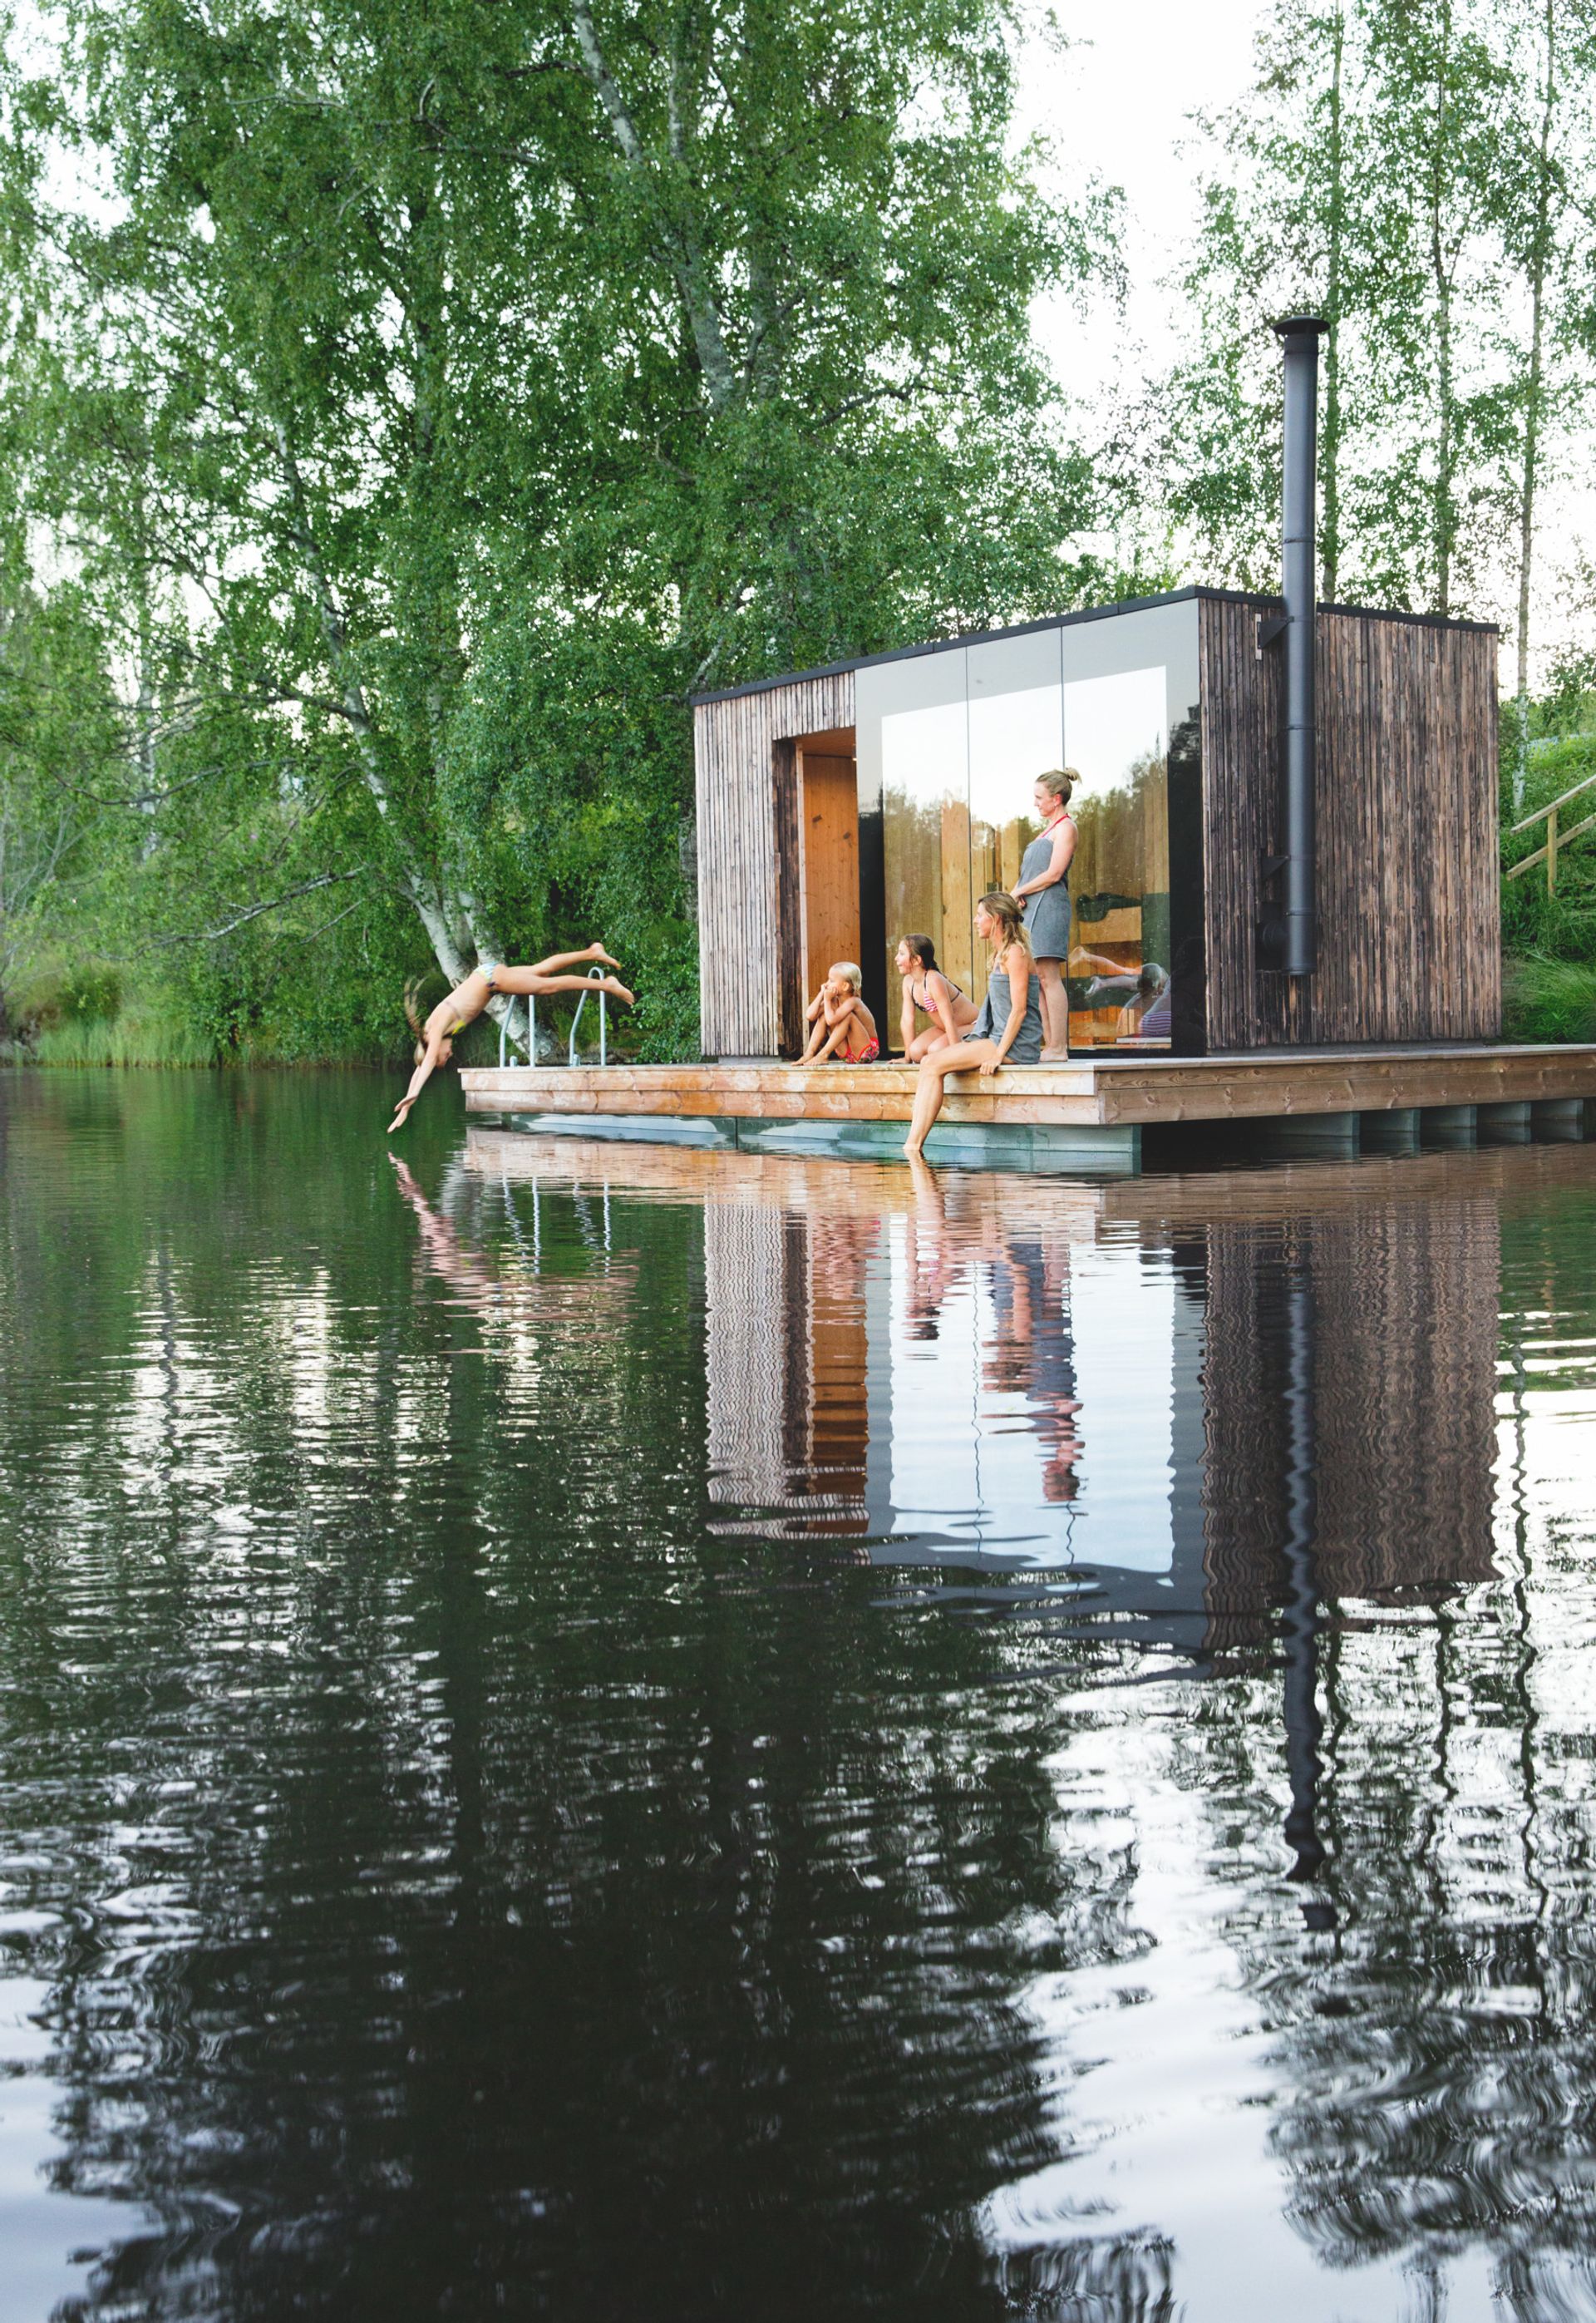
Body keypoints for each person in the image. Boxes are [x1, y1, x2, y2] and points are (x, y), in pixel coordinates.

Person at [387, 944, 634, 1134]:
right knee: (541, 970)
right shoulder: (436, 1034)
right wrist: (406, 1106)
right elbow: (421, 1068)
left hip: (491, 979)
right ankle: (592, 952)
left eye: (443, 1057)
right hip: (488, 977)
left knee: (547, 986)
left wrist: (415, 1094)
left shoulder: (435, 1028)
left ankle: (606, 986)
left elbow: (427, 1062)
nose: (447, 1056)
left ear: (432, 1047)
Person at [904, 892, 1042, 1158]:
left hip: (1015, 1046)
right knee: (930, 1062)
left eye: (980, 915)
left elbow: (1020, 1010)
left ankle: (913, 1145)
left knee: (932, 1064)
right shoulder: (1001, 954)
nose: (976, 921)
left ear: (996, 919)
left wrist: (999, 1054)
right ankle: (913, 1142)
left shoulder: (1015, 953)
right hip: (998, 1039)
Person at [1012, 768, 1077, 1060]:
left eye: (1039, 798)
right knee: (1037, 977)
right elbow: (1030, 873)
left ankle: (1059, 1046)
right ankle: (1049, 1044)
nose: (1035, 803)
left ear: (1057, 798)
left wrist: (1020, 891)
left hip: (1050, 906)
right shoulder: (1046, 830)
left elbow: (1054, 873)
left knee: (1049, 975)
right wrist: (1012, 897)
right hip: (1031, 908)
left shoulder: (1066, 828)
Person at [895, 933, 978, 1060]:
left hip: (973, 1025)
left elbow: (948, 1018)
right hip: (945, 1028)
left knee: (935, 1050)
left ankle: (966, 1049)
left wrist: (956, 1054)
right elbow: (907, 1020)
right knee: (915, 1052)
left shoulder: (933, 979)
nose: (896, 958)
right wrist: (907, 1058)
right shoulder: (908, 982)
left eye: (901, 954)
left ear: (917, 960)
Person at [798, 963, 879, 1063]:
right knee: (823, 1016)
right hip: (848, 1054)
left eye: (831, 980)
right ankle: (809, 1054)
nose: (827, 984)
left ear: (845, 986)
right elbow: (810, 1016)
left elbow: (831, 1021)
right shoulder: (833, 1001)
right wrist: (821, 994)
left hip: (866, 1051)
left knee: (847, 1016)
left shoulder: (854, 1002)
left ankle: (823, 1054)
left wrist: (827, 1001)